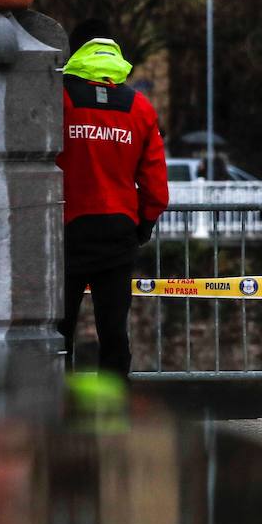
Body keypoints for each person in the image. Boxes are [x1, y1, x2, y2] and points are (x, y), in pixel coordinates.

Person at [56, 19, 169, 378]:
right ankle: (114, 413)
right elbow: (156, 187)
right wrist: (143, 226)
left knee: (58, 330)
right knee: (114, 332)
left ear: (75, 53)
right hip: (119, 231)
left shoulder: (58, 99)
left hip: (64, 230)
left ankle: (54, 411)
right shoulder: (140, 108)